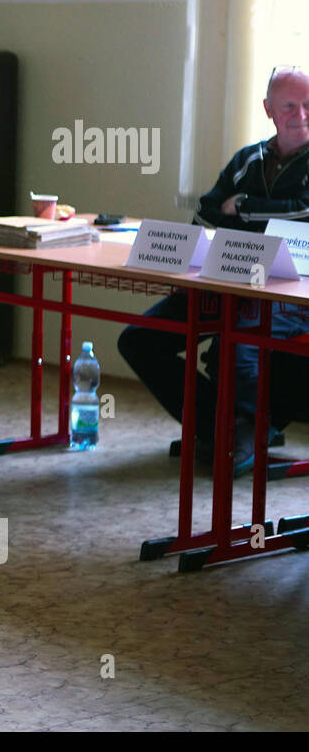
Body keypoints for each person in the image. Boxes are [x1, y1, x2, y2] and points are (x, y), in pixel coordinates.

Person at [118, 66, 309, 473]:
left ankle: (247, 430)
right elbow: (206, 211)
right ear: (269, 109)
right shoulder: (247, 159)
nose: (302, 115)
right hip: (226, 280)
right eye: (290, 106)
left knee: (238, 338)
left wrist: (240, 207)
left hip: (291, 297)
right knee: (139, 340)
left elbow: (302, 212)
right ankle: (225, 427)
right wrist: (194, 259)